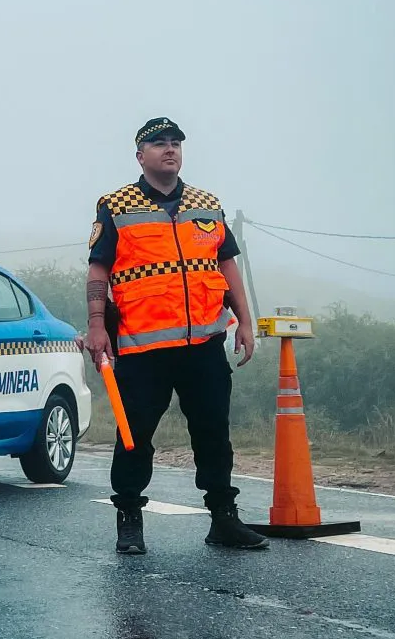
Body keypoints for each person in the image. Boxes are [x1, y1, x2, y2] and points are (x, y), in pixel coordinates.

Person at [84, 117, 268, 554]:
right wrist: (96, 326)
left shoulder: (207, 203)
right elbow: (98, 269)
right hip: (143, 347)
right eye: (159, 143)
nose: (170, 150)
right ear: (140, 155)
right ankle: (129, 518)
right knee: (135, 437)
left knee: (213, 433)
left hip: (204, 346)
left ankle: (223, 518)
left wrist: (245, 321)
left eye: (175, 143)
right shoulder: (116, 205)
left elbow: (227, 267)